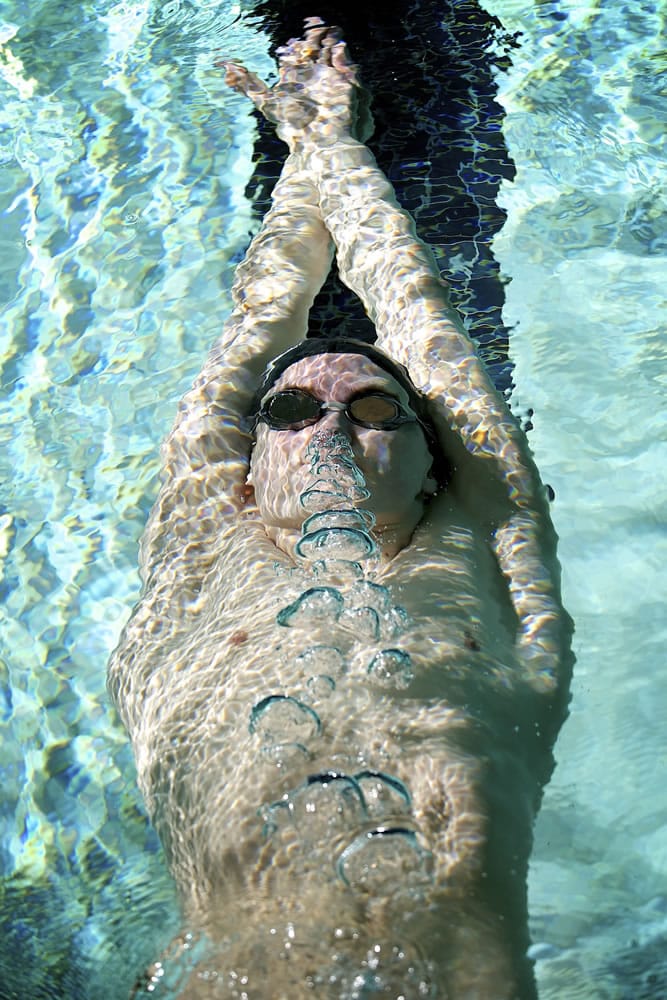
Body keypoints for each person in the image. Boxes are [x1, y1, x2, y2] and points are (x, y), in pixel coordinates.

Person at [110, 19, 573, 1000]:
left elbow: (419, 317)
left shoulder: (486, 552)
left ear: (430, 462)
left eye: (373, 413)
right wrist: (315, 140)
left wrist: (328, 142)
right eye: (289, 411)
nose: (326, 428)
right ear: (244, 471)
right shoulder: (206, 542)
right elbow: (259, 319)